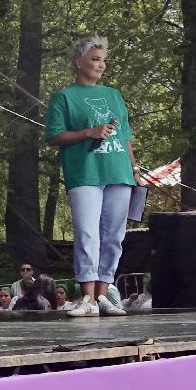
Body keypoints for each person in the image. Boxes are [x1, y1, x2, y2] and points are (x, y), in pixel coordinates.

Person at [45, 35, 138, 319]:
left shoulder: (114, 95)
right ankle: (86, 296)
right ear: (79, 62)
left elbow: (127, 137)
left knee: (114, 237)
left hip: (119, 171)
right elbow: (53, 136)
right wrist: (89, 132)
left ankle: (103, 295)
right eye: (95, 60)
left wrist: (134, 169)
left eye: (103, 61)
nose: (101, 65)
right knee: (88, 234)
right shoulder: (64, 96)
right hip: (84, 173)